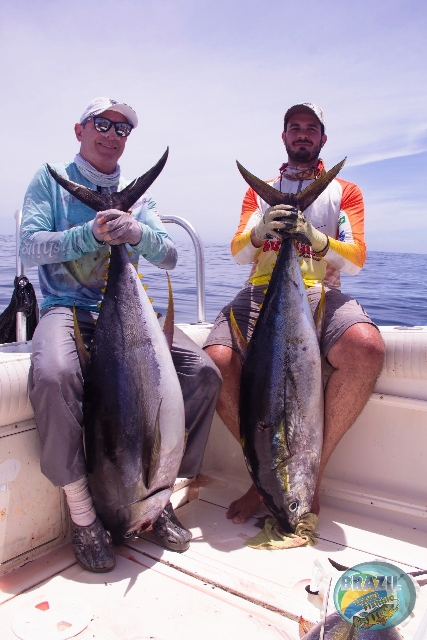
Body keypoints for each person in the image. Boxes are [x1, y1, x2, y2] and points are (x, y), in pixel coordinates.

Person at [20, 97, 221, 573]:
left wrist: (136, 234)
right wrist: (89, 234)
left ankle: (163, 492)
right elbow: (30, 247)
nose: (112, 134)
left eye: (122, 129)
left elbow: (169, 256)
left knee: (204, 373)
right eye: (102, 124)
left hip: (130, 315)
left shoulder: (138, 198)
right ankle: (85, 516)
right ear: (80, 129)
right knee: (52, 374)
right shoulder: (48, 182)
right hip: (66, 310)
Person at [204, 102, 385, 525]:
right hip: (260, 291)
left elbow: (355, 260)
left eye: (311, 128)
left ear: (323, 138)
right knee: (214, 363)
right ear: (284, 137)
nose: (302, 134)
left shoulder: (346, 191)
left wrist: (315, 239)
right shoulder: (259, 190)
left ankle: (309, 477)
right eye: (294, 127)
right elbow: (237, 252)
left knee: (367, 349)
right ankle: (263, 473)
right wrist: (260, 230)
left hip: (321, 292)